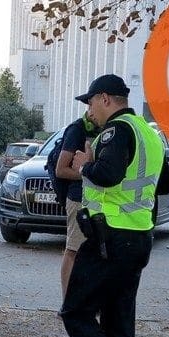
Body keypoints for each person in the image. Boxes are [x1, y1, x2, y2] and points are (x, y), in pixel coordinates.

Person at [60, 74, 166, 337]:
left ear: (106, 98)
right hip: (138, 236)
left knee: (75, 312)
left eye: (90, 102)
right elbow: (161, 183)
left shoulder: (116, 131)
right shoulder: (148, 132)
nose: (89, 111)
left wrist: (85, 163)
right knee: (118, 318)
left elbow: (107, 175)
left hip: (110, 237)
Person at [54, 112, 100, 296]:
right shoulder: (78, 129)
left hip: (99, 200)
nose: (93, 109)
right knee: (73, 250)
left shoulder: (107, 128)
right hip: (78, 199)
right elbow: (61, 170)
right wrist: (90, 172)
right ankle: (67, 303)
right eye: (91, 104)